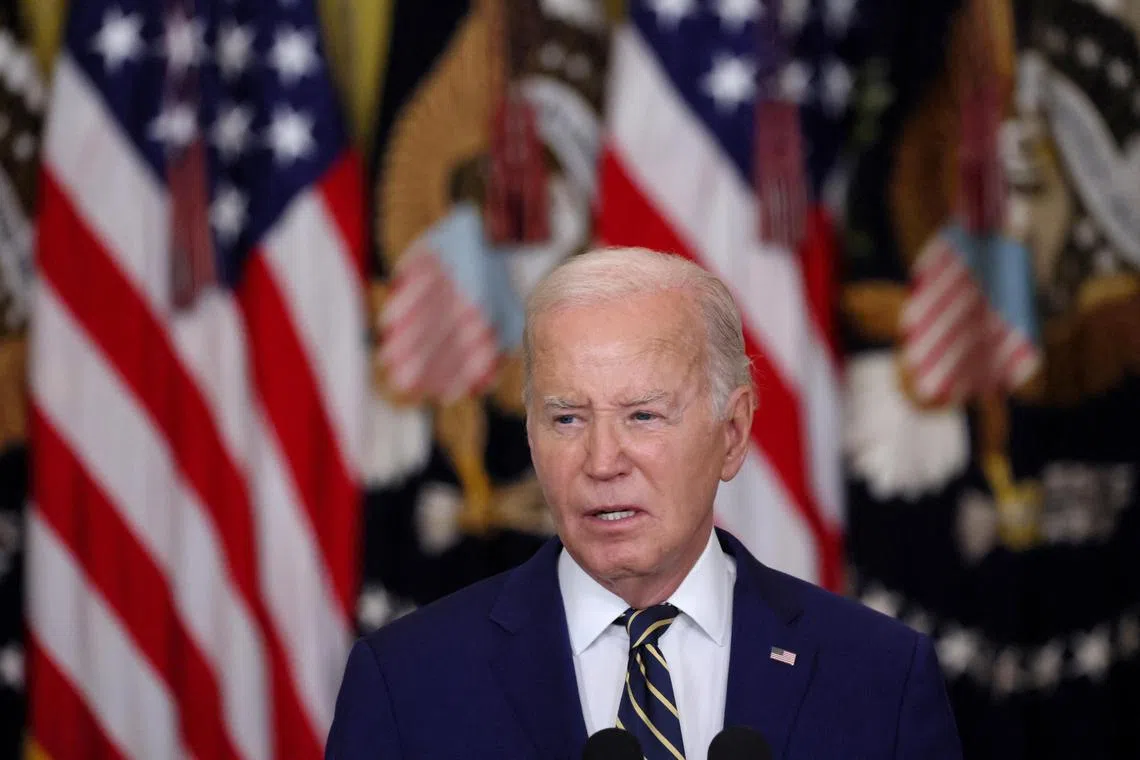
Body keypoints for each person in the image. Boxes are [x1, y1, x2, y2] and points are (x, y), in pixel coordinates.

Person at [325, 247, 963, 760]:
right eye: (568, 418)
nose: (603, 462)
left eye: (644, 415)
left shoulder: (880, 676)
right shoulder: (408, 684)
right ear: (529, 434)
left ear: (733, 433)